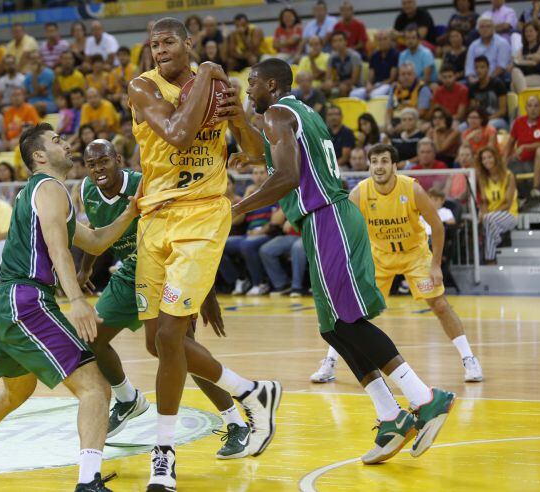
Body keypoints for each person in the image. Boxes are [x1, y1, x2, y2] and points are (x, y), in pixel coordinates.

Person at [235, 58, 456, 466]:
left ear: (270, 83)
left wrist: (238, 208)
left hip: (328, 218)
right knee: (333, 328)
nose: (248, 91)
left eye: (250, 83)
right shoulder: (296, 114)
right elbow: (269, 154)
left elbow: (285, 177)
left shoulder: (281, 113)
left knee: (349, 321)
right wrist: (242, 135)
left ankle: (426, 397)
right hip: (322, 221)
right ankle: (391, 415)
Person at [0, 123, 141, 490]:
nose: (67, 144)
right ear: (39, 156)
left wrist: (131, 211)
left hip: (3, 302)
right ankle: (89, 481)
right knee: (95, 388)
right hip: (26, 299)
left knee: (16, 391)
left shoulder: (43, 193)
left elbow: (93, 242)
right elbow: (59, 248)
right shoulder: (50, 187)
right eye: (57, 140)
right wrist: (76, 300)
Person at [127, 18, 279, 490]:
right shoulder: (141, 86)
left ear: (188, 44)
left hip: (203, 214)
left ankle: (164, 453)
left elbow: (255, 153)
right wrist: (210, 74)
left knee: (172, 335)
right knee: (156, 343)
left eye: (169, 42)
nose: (159, 51)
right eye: (154, 45)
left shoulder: (215, 85)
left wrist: (237, 118)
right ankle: (251, 392)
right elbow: (175, 132)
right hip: (154, 217)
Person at [76, 139, 252, 459]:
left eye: (104, 161)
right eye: (92, 164)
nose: (98, 169)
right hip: (130, 274)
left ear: (118, 159)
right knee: (90, 337)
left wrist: (207, 293)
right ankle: (128, 398)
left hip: (169, 267)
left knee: (174, 350)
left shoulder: (144, 185)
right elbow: (94, 230)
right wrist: (84, 269)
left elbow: (186, 235)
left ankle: (236, 421)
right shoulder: (87, 190)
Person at [310, 144, 483, 384]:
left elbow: (438, 226)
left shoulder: (412, 189)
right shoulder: (360, 193)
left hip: (414, 255)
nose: (378, 166)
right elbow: (344, 231)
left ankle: (469, 359)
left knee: (440, 304)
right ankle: (330, 362)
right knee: (351, 312)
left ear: (394, 165)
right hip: (379, 258)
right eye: (374, 162)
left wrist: (435, 266)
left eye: (383, 161)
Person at [218, 166, 277, 296]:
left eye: (262, 172)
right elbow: (241, 216)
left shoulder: (275, 192)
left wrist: (261, 231)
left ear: (268, 175)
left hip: (267, 234)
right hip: (248, 234)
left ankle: (260, 283)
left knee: (247, 245)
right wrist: (246, 195)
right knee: (218, 246)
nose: (259, 176)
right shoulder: (250, 195)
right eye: (255, 173)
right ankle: (240, 279)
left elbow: (275, 221)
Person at [476, 147, 518, 264]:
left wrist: (487, 216)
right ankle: (492, 257)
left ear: (496, 158)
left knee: (488, 221)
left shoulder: (508, 175)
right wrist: (484, 214)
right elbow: (484, 202)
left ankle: (491, 258)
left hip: (508, 214)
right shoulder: (482, 178)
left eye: (489, 157)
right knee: (487, 222)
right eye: (483, 158)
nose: (486, 160)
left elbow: (508, 203)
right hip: (491, 219)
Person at [505, 96, 540, 202]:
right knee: (501, 162)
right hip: (521, 162)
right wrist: (504, 159)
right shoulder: (519, 121)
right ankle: (509, 199)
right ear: (525, 108)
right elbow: (509, 144)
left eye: (536, 106)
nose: (533, 109)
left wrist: (524, 147)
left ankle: (536, 189)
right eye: (530, 106)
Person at [351, 30, 398, 100]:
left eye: (385, 39)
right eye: (379, 40)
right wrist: (369, 85)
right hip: (375, 85)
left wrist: (375, 87)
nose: (382, 42)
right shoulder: (374, 56)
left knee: (374, 95)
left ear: (390, 40)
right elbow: (370, 76)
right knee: (354, 94)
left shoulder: (395, 55)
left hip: (388, 85)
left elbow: (392, 79)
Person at [464, 15, 511, 83]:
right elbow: (469, 68)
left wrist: (485, 81)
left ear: (493, 28)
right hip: (476, 81)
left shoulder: (502, 43)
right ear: (478, 30)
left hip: (495, 78)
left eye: (488, 26)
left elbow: (501, 67)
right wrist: (473, 81)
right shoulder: (473, 45)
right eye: (482, 27)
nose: (485, 29)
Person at [467, 56, 508, 131]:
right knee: (461, 128)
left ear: (488, 68)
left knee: (486, 126)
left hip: (497, 119)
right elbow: (473, 109)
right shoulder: (473, 87)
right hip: (478, 120)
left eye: (482, 67)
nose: (479, 70)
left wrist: (486, 119)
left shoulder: (498, 84)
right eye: (476, 68)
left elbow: (502, 111)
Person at [385, 62, 432, 126]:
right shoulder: (394, 88)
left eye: (409, 74)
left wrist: (403, 124)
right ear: (399, 77)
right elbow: (388, 111)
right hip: (395, 120)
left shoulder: (422, 88)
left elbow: (421, 112)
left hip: (414, 121)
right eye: (403, 74)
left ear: (414, 75)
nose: (406, 77)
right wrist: (388, 125)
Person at [512, 21, 540, 92]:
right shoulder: (522, 48)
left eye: (531, 31)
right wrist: (530, 59)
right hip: (525, 75)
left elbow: (537, 60)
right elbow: (516, 61)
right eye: (526, 31)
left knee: (514, 85)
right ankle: (527, 101)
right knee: (515, 71)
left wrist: (523, 59)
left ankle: (525, 101)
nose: (528, 34)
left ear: (537, 32)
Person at [323, 31, 362, 97]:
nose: (338, 43)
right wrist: (329, 83)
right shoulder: (332, 57)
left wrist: (335, 84)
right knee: (323, 87)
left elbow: (354, 80)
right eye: (335, 41)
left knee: (343, 88)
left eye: (340, 40)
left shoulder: (354, 56)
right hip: (339, 84)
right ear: (332, 44)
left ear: (346, 42)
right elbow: (328, 77)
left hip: (355, 86)